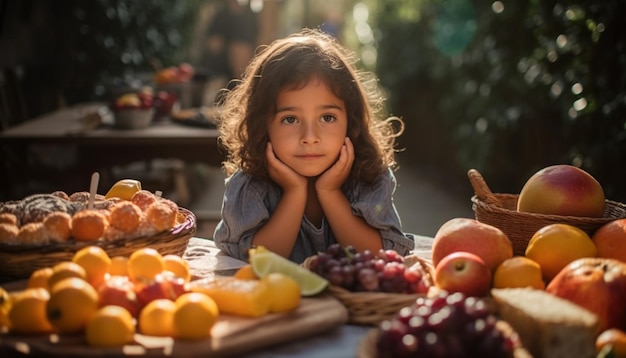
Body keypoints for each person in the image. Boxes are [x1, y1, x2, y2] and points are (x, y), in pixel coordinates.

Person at [213, 28, 415, 263]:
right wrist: (294, 193)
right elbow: (254, 259)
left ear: (351, 121)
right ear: (262, 125)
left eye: (327, 118)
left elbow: (382, 258)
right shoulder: (250, 186)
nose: (310, 137)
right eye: (290, 119)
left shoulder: (369, 179)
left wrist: (329, 193)